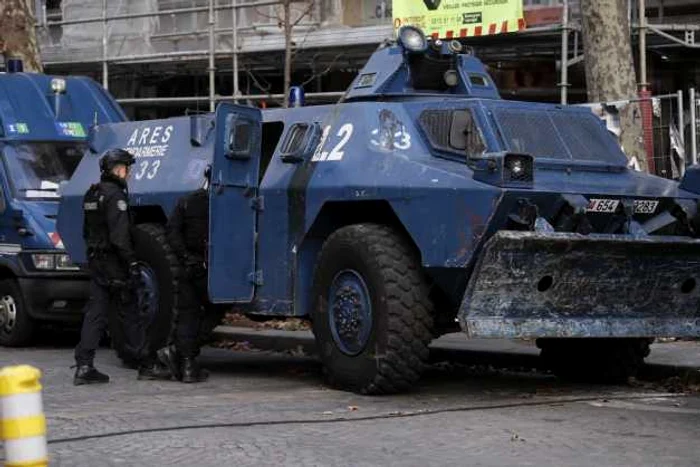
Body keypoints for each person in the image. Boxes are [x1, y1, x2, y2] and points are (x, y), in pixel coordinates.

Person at [74, 149, 171, 385]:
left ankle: (84, 366)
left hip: (97, 260)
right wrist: (131, 263)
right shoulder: (115, 196)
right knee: (131, 312)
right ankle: (147, 364)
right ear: (118, 169)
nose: (129, 174)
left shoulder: (92, 194)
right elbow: (120, 237)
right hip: (114, 263)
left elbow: (87, 232)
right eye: (127, 169)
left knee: (96, 313)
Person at [159, 165, 222, 383]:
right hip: (210, 268)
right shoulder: (224, 204)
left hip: (189, 266)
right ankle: (184, 355)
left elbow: (172, 231)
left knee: (188, 314)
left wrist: (184, 256)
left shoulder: (187, 201)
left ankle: (185, 363)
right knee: (216, 309)